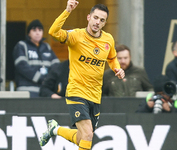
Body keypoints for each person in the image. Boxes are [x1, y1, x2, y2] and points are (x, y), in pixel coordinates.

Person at [39, 1, 125, 150]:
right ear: (88, 17)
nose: (97, 22)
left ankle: (55, 129)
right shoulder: (76, 36)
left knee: (82, 138)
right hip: (77, 92)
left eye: (102, 20)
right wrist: (67, 11)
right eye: (95, 18)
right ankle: (55, 129)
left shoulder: (108, 40)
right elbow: (53, 32)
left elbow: (112, 59)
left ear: (105, 23)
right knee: (87, 136)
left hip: (95, 95)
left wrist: (117, 69)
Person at [13, 19, 60, 98]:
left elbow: (57, 67)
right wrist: (41, 78)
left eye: (40, 30)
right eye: (34, 30)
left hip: (45, 91)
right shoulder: (22, 46)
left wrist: (50, 80)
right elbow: (22, 66)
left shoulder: (47, 47)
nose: (37, 33)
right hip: (26, 91)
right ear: (29, 33)